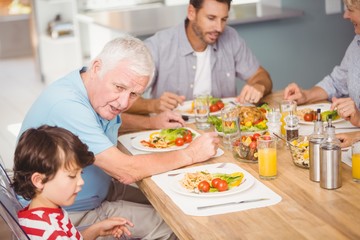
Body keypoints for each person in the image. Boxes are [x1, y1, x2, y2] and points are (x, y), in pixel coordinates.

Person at [19, 35, 219, 239]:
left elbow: (104, 116)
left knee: (174, 199)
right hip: (73, 210)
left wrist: (152, 123)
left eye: (134, 94)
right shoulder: (68, 106)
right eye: (120, 88)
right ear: (97, 67)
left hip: (95, 190)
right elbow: (126, 170)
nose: (124, 102)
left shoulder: (88, 87)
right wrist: (191, 154)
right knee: (176, 225)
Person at [126, 0, 272, 114]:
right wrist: (153, 105)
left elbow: (261, 75)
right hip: (174, 132)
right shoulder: (158, 45)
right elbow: (122, 95)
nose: (219, 28)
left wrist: (259, 86)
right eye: (211, 18)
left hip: (223, 129)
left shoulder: (231, 38)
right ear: (191, 12)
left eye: (223, 19)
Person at [12, 125, 134, 240]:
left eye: (80, 173)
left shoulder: (40, 215)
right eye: (72, 176)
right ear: (39, 181)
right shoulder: (50, 233)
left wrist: (97, 229)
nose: (81, 182)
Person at [284, 0, 360, 127]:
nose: (345, 15)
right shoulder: (357, 43)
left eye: (350, 9)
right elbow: (336, 83)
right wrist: (306, 95)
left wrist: (359, 119)